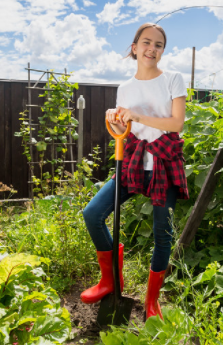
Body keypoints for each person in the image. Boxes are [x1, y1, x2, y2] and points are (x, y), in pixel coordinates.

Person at [79, 23, 189, 321]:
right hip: (133, 161)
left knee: (161, 234)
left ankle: (152, 303)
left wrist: (138, 115)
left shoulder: (173, 80)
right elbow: (123, 131)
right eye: (146, 43)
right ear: (134, 47)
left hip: (164, 164)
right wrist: (113, 120)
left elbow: (176, 124)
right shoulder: (125, 88)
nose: (152, 49)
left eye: (159, 45)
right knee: (93, 213)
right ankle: (110, 280)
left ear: (162, 51)